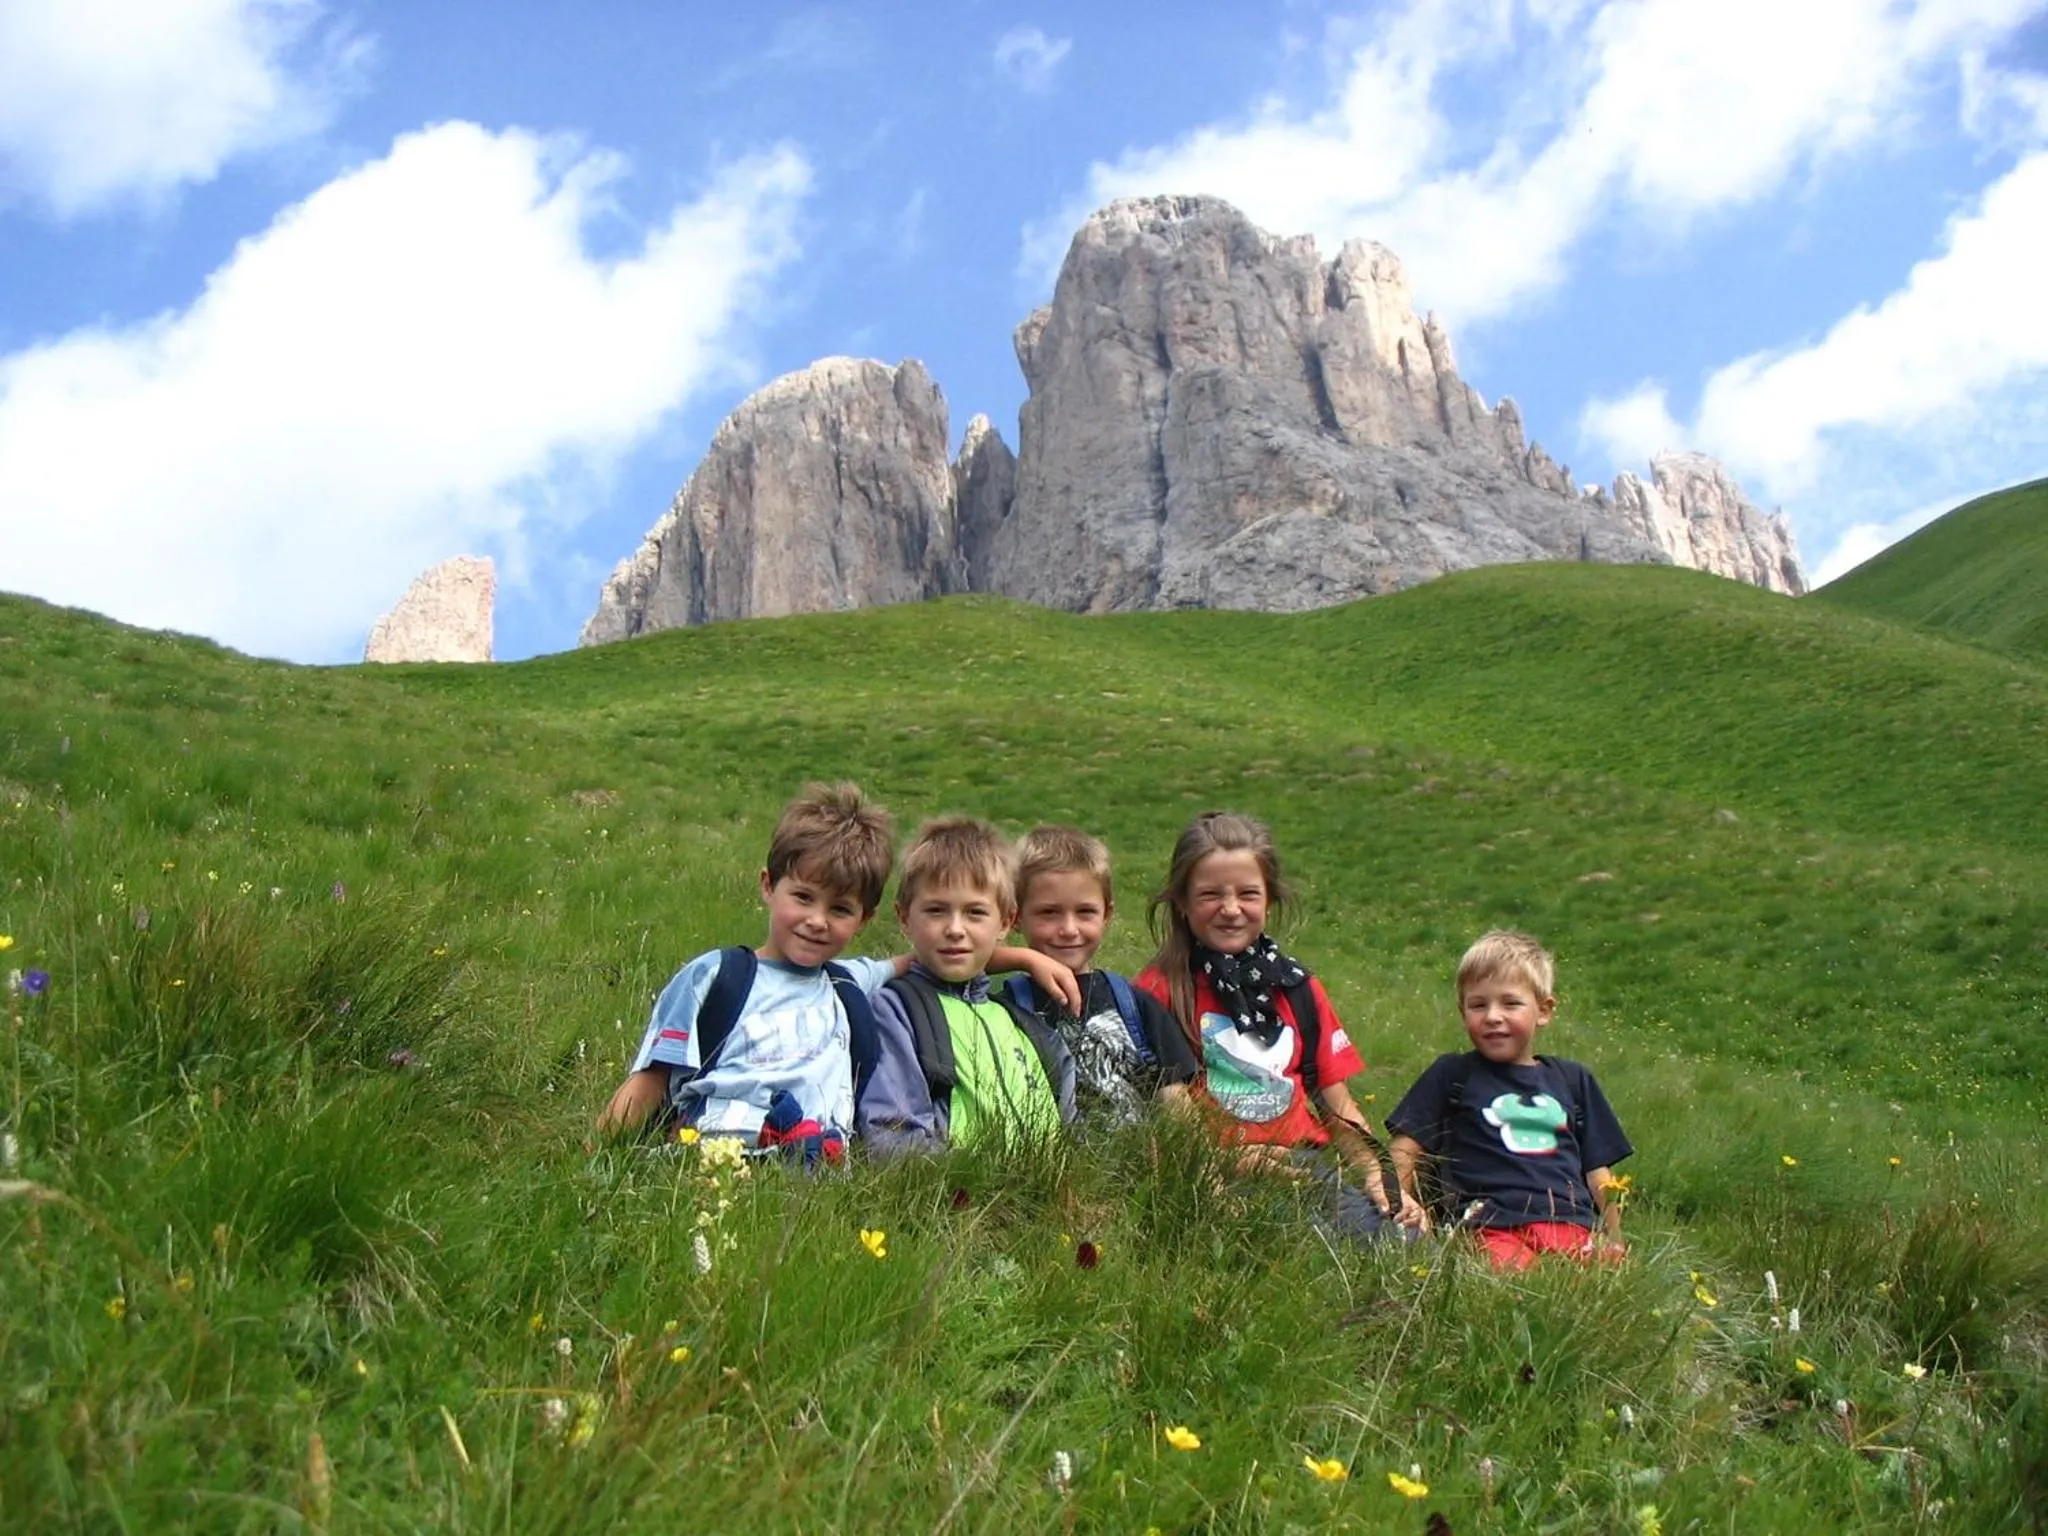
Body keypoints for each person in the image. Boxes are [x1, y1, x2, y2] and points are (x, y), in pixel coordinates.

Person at [597, 786, 1078, 1150]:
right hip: (718, 1165)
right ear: (768, 886)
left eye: (840, 909)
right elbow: (651, 1080)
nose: (816, 921)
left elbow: (939, 955)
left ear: (864, 918)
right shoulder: (715, 976)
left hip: (817, 1182)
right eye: (803, 897)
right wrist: (596, 1159)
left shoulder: (849, 980)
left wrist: (1022, 956)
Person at [1134, 810, 1423, 1239]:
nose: (1231, 909)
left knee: (1404, 1240)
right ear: (1181, 901)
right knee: (1300, 1251)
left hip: (1304, 1164)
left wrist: (1376, 1174)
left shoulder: (1298, 989)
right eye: (1210, 894)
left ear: (1268, 898)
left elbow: (1337, 1106)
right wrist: (1220, 1161)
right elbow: (1157, 1112)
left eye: (1248, 893)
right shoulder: (1156, 991)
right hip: (1214, 1171)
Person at [1385, 930, 1633, 1270]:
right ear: (1463, 1012)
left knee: (1595, 1296)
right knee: (1511, 1289)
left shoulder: (1573, 1080)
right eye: (1478, 1005)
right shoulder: (1452, 1074)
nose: (1492, 1016)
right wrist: (1400, 1201)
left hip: (1570, 1224)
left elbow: (1598, 1173)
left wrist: (1616, 1237)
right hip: (1489, 1224)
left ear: (1543, 1011)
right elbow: (1405, 1146)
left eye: (1511, 1003)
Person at [858, 816, 1078, 1152]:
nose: (955, 929)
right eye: (936, 911)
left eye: (975, 912)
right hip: (958, 1198)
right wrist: (968, 1188)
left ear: (1006, 921)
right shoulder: (895, 1010)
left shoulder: (1025, 1025)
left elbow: (1070, 1134)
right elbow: (893, 1132)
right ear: (904, 918)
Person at [1002, 824, 1200, 1124]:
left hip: (1135, 1163)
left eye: (1085, 912)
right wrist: (1022, 959)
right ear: (1015, 917)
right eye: (1049, 913)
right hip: (1048, 1165)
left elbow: (1175, 1100)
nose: (1069, 929)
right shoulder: (1006, 1008)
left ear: (1106, 915)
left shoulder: (1134, 1005)